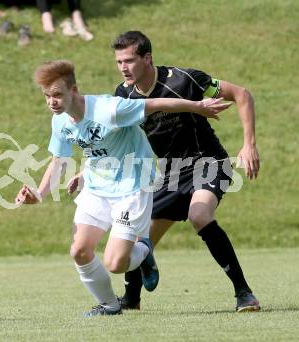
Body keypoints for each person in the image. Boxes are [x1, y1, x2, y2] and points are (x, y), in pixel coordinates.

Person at [15, 60, 231, 316]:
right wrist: (39, 194)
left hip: (131, 188)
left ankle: (144, 250)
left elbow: (155, 104)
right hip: (97, 188)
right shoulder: (60, 121)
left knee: (116, 263)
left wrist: (197, 106)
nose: (52, 101)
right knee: (79, 251)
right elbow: (59, 161)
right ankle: (109, 305)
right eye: (47, 96)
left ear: (74, 90)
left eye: (58, 94)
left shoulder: (108, 109)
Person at [110, 31, 260, 312]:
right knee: (137, 235)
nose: (123, 68)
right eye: (119, 62)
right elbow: (113, 138)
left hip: (209, 163)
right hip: (170, 172)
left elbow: (241, 94)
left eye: (129, 60)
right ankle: (131, 300)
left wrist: (248, 145)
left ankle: (244, 293)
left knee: (199, 214)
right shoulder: (123, 95)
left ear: (147, 58)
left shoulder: (183, 80)